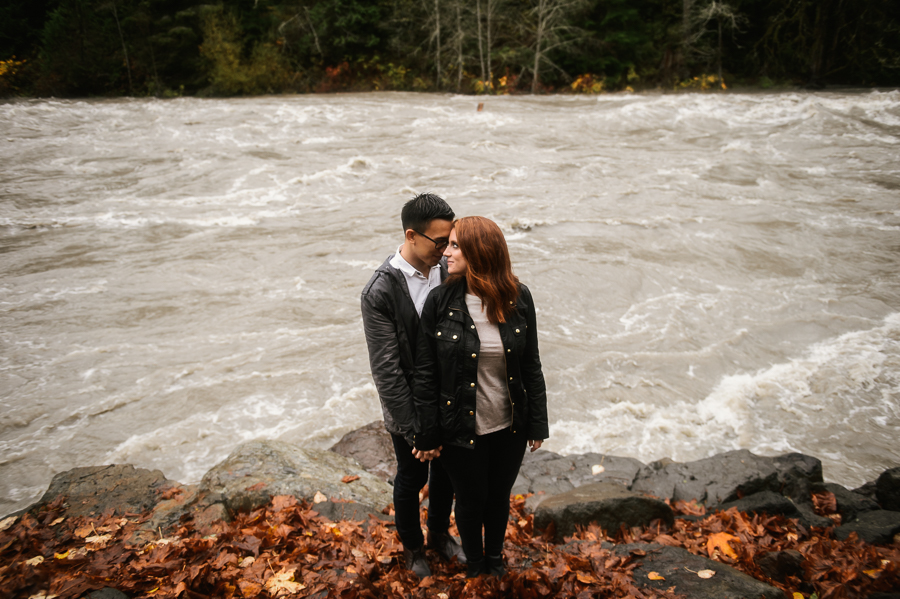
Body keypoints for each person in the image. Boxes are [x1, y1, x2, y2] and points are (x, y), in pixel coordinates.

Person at [412, 216, 549, 578]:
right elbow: (426, 373)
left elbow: (531, 363)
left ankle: (495, 562)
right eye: (448, 245)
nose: (446, 253)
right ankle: (475, 566)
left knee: (498, 498)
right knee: (471, 500)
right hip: (460, 425)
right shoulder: (440, 301)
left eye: (455, 246)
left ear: (480, 252)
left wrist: (537, 422)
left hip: (510, 423)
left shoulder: (519, 298)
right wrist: (427, 433)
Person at [360, 193, 466, 578]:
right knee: (412, 475)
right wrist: (416, 429)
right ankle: (413, 548)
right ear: (411, 235)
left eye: (450, 241)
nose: (446, 249)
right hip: (406, 403)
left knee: (447, 473)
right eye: (440, 242)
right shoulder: (380, 292)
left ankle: (439, 533)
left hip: (449, 396)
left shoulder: (448, 269)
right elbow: (386, 371)